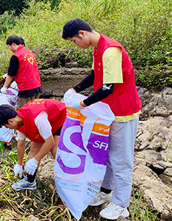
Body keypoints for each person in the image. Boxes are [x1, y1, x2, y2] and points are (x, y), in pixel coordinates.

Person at [62, 18, 142, 220]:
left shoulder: (110, 50)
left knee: (121, 161)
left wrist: (82, 104)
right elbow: (93, 75)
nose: (75, 45)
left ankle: (121, 205)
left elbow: (108, 87)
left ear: (82, 33)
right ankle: (106, 193)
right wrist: (75, 89)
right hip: (108, 112)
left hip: (123, 112)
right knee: (107, 156)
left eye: (74, 41)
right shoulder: (97, 49)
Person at [0, 99, 66, 191]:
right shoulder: (20, 121)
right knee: (34, 147)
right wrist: (19, 163)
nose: (7, 128)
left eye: (5, 126)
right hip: (49, 122)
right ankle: (30, 181)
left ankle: (69, 178)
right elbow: (21, 144)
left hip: (61, 118)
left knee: (55, 150)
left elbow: (49, 142)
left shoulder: (37, 117)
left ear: (10, 121)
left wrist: (36, 160)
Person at [2, 36, 42, 108]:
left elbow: (10, 75)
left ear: (13, 44)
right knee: (35, 110)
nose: (9, 49)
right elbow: (26, 69)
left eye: (9, 47)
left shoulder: (16, 56)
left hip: (26, 89)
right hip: (37, 87)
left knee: (24, 113)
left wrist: (5, 87)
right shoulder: (31, 54)